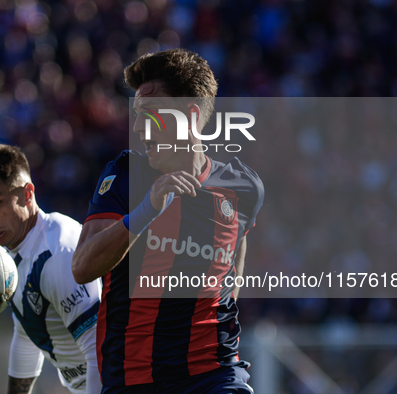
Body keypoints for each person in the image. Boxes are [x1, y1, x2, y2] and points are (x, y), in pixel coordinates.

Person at [71, 49, 264, 393]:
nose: (136, 127)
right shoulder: (127, 174)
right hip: (136, 378)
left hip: (214, 373)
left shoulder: (244, 189)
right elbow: (83, 266)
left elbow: (233, 271)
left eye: (149, 114)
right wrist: (146, 209)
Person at [0, 144, 102, 394]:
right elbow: (26, 335)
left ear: (27, 194)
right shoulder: (14, 255)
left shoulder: (57, 253)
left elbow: (100, 350)